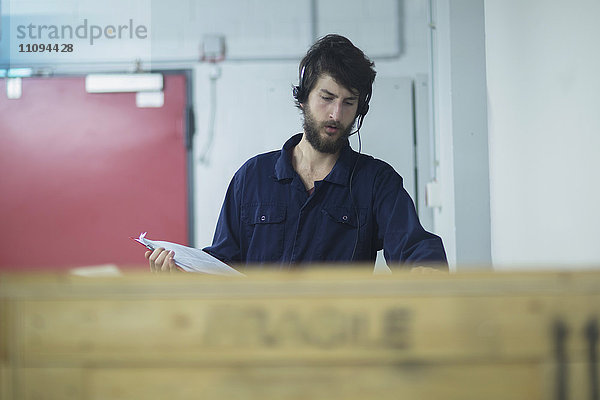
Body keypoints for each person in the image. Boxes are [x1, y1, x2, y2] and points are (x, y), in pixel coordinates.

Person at [147, 34, 447, 273]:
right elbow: (223, 264)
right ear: (303, 97)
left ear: (360, 109)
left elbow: (415, 248)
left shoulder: (376, 182)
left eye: (349, 102)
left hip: (337, 345)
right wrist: (183, 275)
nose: (335, 113)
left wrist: (425, 272)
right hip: (258, 342)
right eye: (326, 98)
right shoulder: (252, 177)